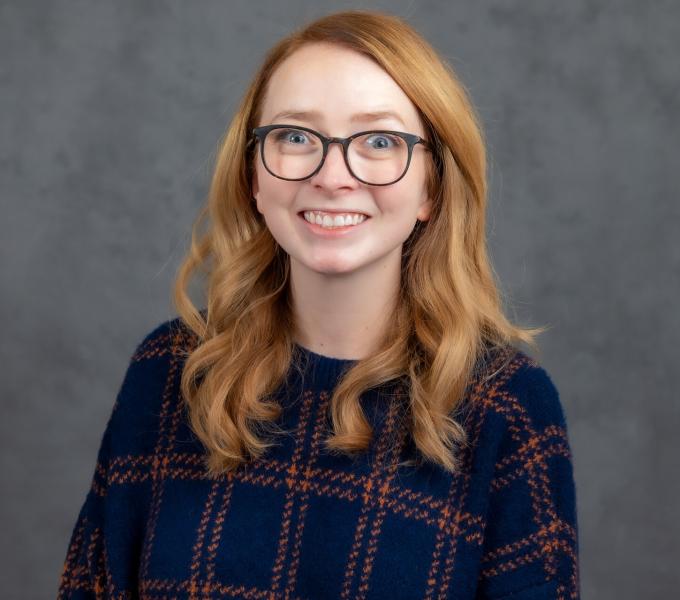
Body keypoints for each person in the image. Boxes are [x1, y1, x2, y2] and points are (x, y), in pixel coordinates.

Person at [58, 9, 579, 599]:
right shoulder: (171, 370)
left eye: (380, 140)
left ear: (431, 186)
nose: (333, 176)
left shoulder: (506, 406)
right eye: (296, 137)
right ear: (254, 174)